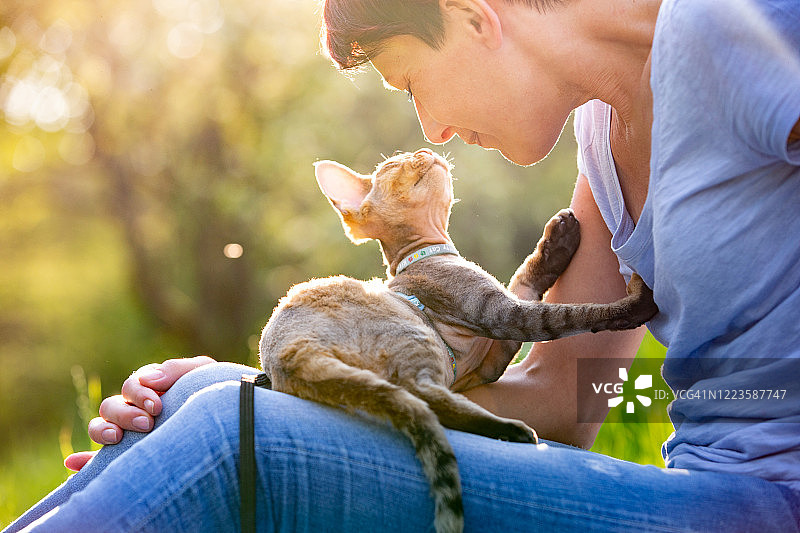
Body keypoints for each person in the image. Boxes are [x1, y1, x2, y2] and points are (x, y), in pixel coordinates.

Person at [6, 0, 800, 530]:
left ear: (470, 14)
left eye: (412, 81)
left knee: (230, 436)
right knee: (213, 397)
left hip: (768, 500)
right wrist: (293, 375)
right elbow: (569, 398)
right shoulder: (603, 136)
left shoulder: (732, 31)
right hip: (702, 478)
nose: (434, 128)